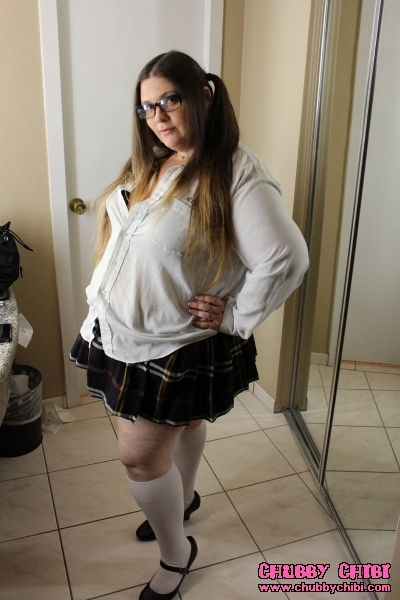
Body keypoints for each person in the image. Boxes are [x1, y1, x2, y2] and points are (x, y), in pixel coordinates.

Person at [70, 50, 309, 600]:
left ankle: (177, 555)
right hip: (123, 328)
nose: (156, 116)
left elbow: (286, 258)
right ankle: (184, 499)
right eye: (146, 107)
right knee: (186, 421)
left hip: (172, 342)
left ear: (203, 95)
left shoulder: (235, 170)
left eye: (169, 100)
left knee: (139, 457)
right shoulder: (158, 158)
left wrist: (239, 314)